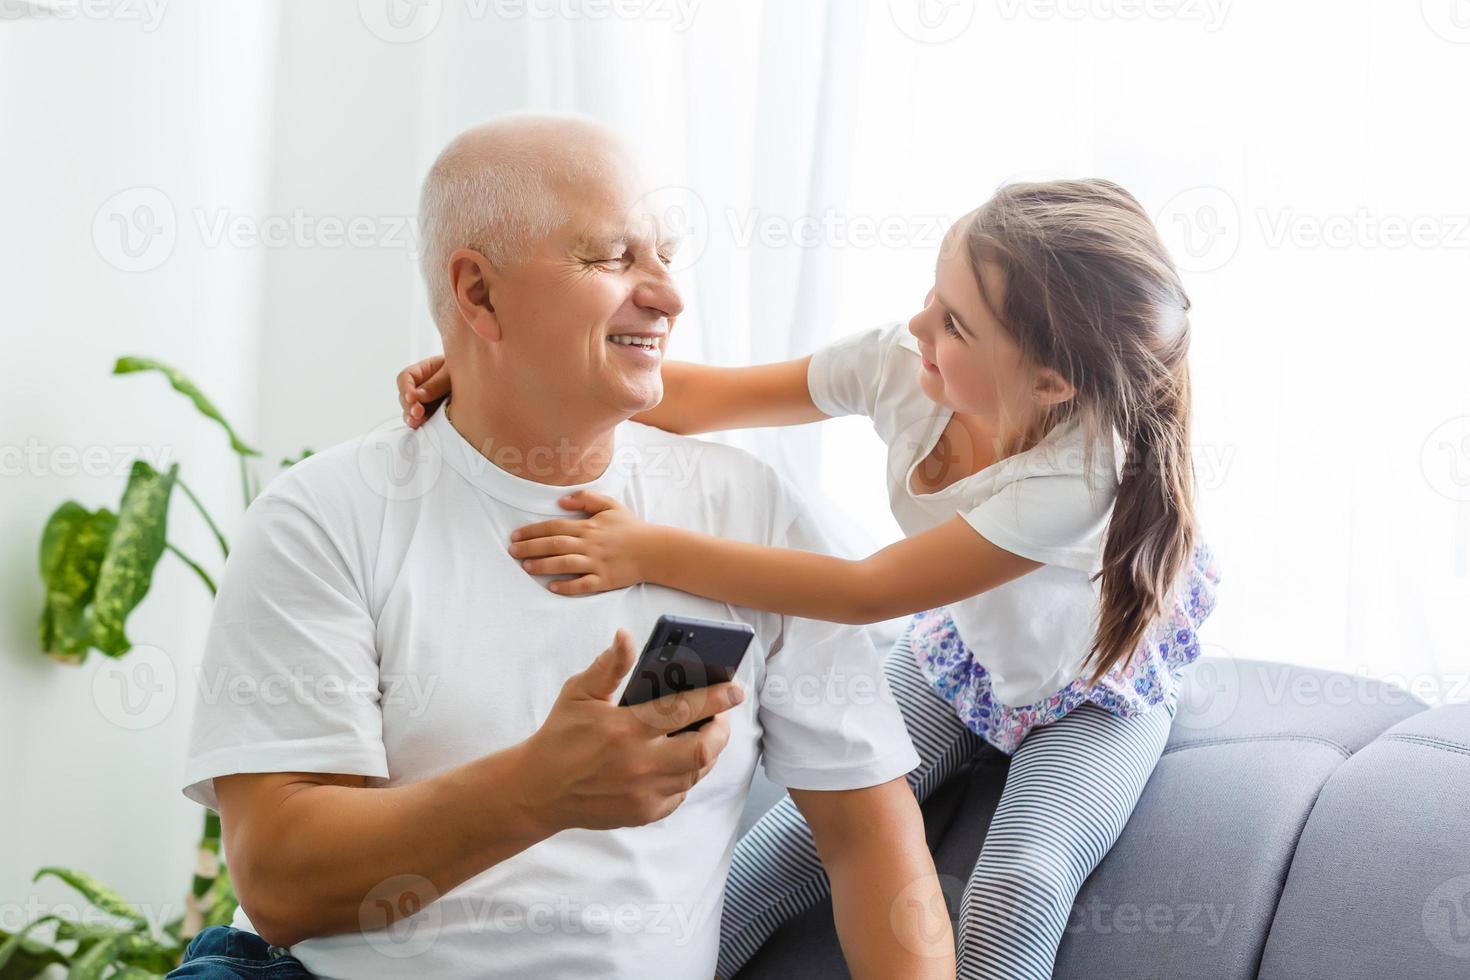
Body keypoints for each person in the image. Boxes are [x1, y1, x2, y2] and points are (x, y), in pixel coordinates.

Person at [170, 114, 953, 980]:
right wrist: (537, 790)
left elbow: (867, 843)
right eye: (612, 257)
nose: (668, 294)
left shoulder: (746, 512)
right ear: (478, 295)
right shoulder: (324, 515)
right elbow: (279, 882)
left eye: (665, 254)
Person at [399, 177, 1220, 979]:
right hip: (959, 655)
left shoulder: (1076, 480)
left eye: (956, 324)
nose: (917, 323)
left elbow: (865, 592)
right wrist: (494, 373)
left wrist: (647, 550)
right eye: (932, 294)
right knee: (782, 850)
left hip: (1088, 689)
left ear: (1050, 382)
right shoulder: (907, 362)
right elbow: (702, 399)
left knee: (1020, 886)